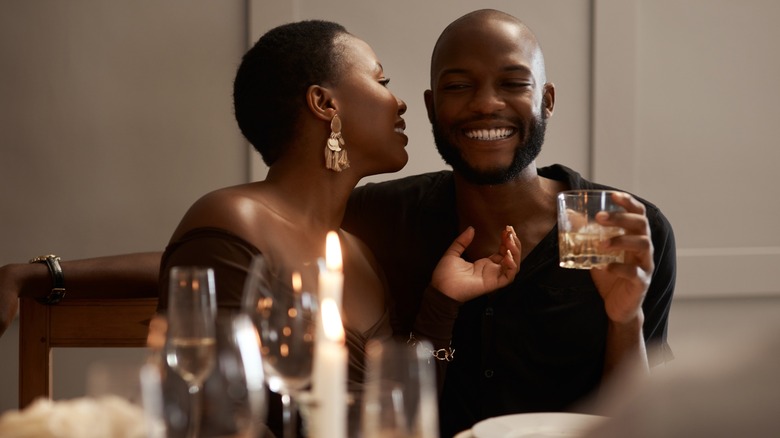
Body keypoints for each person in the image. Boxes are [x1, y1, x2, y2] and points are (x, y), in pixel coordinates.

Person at [1, 9, 675, 437]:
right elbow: (226, 260)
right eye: (460, 86)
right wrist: (45, 274)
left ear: (546, 97)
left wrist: (624, 319)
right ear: (437, 105)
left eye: (513, 81)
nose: (487, 103)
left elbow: (651, 411)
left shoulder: (611, 225)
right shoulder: (386, 219)